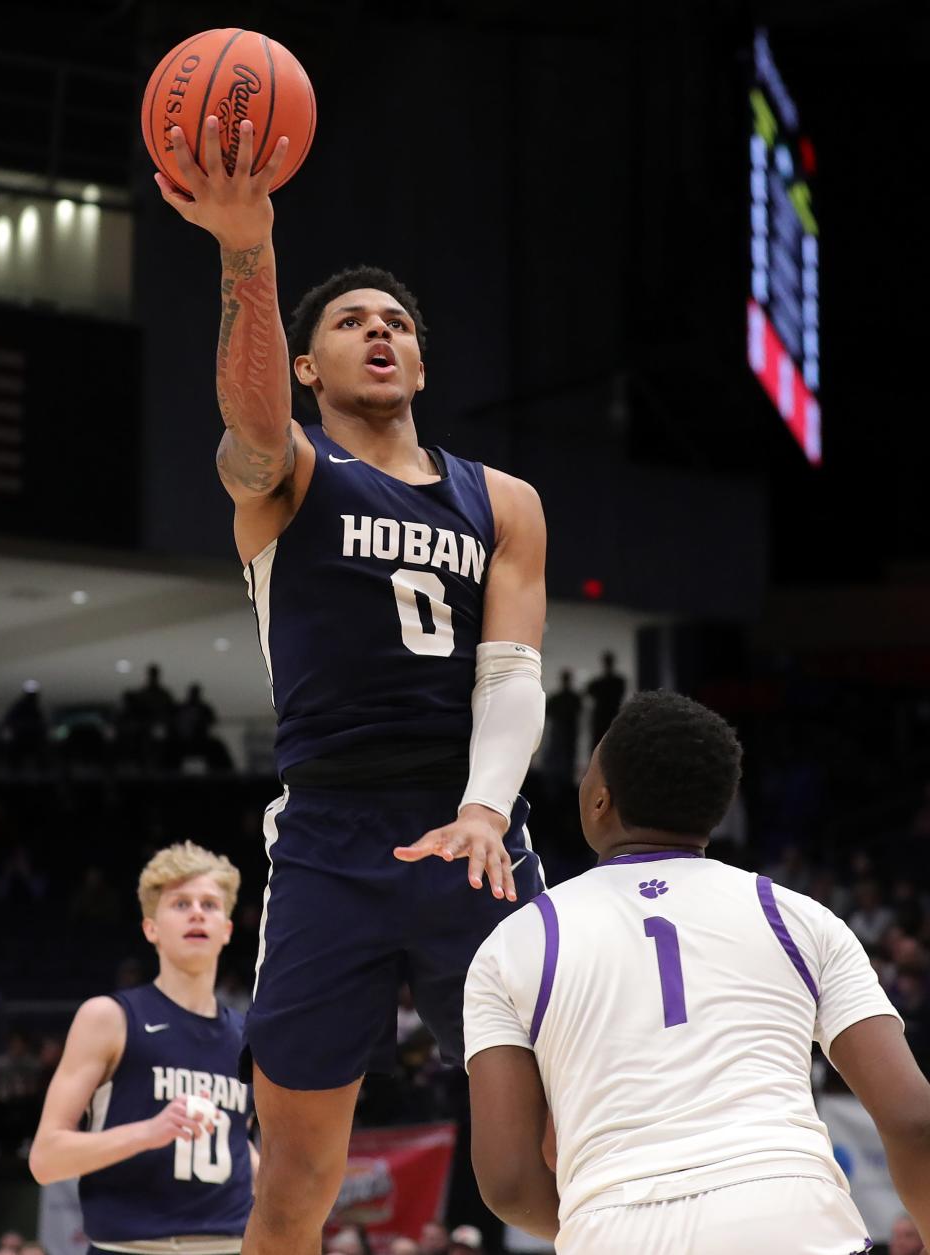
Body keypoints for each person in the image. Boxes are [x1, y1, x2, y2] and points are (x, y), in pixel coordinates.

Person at [156, 116, 548, 1253]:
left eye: (396, 325)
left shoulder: (503, 501)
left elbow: (514, 674)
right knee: (297, 1181)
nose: (377, 333)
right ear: (310, 363)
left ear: (420, 364)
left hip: (474, 826)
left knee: (542, 1159)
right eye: (350, 323)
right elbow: (245, 424)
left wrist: (484, 807)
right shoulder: (285, 477)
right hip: (331, 837)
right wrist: (248, 252)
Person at [463, 690, 930, 1253]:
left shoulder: (512, 945)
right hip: (795, 1221)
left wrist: (600, 1222)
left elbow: (509, 1183)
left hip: (617, 1231)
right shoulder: (800, 918)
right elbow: (913, 1120)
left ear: (598, 801)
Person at [29, 842, 256, 1254]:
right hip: (131, 1246)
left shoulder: (249, 1036)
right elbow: (46, 1158)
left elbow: (242, 1150)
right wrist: (149, 1133)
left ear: (226, 929)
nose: (197, 913)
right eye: (181, 903)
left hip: (230, 1245)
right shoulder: (109, 1018)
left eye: (210, 904)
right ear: (151, 928)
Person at [542, 670, 581, 791]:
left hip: (561, 736)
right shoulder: (573, 699)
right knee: (566, 764)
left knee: (559, 763)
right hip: (566, 736)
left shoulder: (557, 698)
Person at [585, 651, 625, 750]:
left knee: (599, 744)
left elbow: (589, 693)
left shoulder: (597, 683)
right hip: (612, 716)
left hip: (602, 717)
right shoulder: (618, 682)